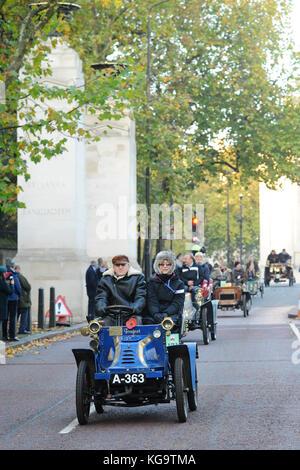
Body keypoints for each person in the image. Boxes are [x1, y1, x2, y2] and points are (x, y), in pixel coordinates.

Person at [95, 255, 146, 325]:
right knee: (100, 327)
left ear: (128, 266)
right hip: (111, 315)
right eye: (117, 265)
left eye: (123, 265)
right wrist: (101, 307)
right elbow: (101, 297)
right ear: (113, 267)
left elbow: (140, 296)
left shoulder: (138, 278)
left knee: (136, 324)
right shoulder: (105, 279)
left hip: (131, 314)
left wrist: (135, 307)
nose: (120, 267)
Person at [145, 251, 185, 332]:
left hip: (171, 313)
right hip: (155, 313)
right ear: (157, 265)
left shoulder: (179, 283)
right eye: (161, 264)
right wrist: (155, 314)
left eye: (168, 264)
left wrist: (166, 313)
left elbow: (178, 302)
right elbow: (151, 299)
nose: (165, 266)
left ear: (172, 265)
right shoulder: (151, 282)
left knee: (170, 324)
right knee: (148, 323)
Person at [2, 259, 21, 341]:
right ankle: (12, 335)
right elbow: (18, 287)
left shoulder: (4, 274)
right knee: (13, 318)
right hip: (13, 298)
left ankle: (4, 335)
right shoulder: (13, 275)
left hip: (5, 298)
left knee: (5, 317)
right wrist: (19, 295)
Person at [14, 265, 31, 334]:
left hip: (15, 299)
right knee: (24, 313)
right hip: (23, 299)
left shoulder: (10, 276)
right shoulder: (20, 276)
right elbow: (27, 286)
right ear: (18, 269)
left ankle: (13, 329)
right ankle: (22, 329)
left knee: (16, 315)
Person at [0, 266, 13, 340]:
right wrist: (12, 284)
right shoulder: (2, 282)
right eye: (4, 273)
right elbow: (10, 291)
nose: (5, 274)